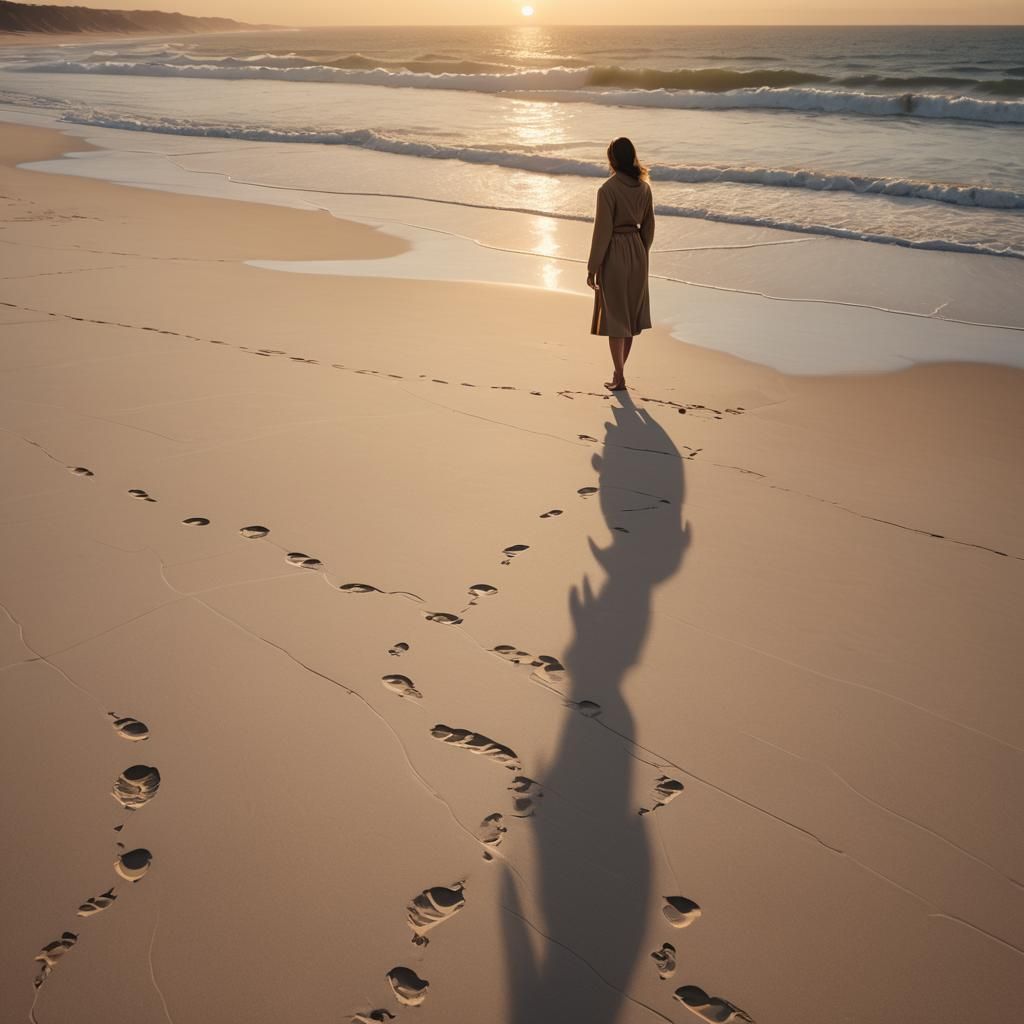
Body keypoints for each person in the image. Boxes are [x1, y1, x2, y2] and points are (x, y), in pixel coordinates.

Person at [586, 137, 655, 392]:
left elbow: (602, 231)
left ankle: (619, 375)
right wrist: (641, 252)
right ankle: (619, 372)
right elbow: (649, 227)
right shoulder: (644, 188)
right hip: (637, 250)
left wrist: (593, 266)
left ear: (612, 159)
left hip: (614, 251)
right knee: (629, 318)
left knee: (616, 317)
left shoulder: (607, 190)